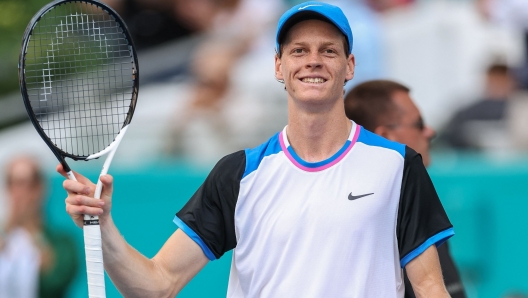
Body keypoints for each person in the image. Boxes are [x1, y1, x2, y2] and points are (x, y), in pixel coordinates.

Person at [60, 2, 454, 297]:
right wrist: (102, 226)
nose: (313, 61)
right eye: (298, 51)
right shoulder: (238, 173)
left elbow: (431, 289)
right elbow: (157, 284)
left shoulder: (399, 167)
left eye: (328, 51)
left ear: (349, 66)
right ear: (278, 66)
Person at [344, 80, 466, 298]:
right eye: (419, 124)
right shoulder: (378, 221)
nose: (430, 131)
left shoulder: (413, 203)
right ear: (386, 136)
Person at [0, 156, 78, 298]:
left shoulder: (63, 241)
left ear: (39, 189)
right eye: (11, 183)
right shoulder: (2, 235)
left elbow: (57, 280)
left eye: (23, 184)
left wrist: (29, 228)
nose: (17, 192)